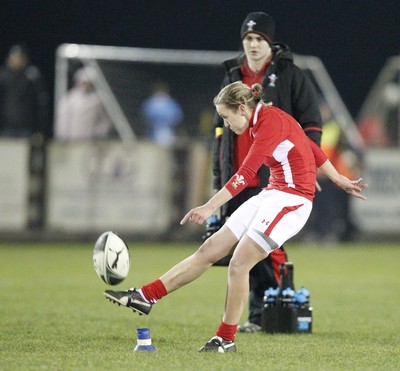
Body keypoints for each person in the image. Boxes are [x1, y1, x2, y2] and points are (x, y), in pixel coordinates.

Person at [104, 82, 366, 353]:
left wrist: (207, 207)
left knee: (239, 264)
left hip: (292, 201)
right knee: (209, 250)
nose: (226, 125)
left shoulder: (268, 124)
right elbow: (310, 146)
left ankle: (225, 339)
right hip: (272, 195)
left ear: (242, 108)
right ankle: (146, 296)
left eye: (227, 117)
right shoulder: (265, 117)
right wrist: (338, 180)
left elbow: (243, 175)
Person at [212, 12, 323, 332]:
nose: (253, 44)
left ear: (270, 42)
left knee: (265, 249)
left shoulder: (291, 74)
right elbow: (220, 131)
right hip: (239, 172)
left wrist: (310, 168)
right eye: (248, 39)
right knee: (241, 252)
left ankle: (274, 306)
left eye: (259, 39)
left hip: (278, 179)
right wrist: (219, 173)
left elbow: (311, 125)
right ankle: (257, 315)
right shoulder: (232, 73)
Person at [0, 44, 49, 138]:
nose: (18, 60)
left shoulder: (32, 76)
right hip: (6, 126)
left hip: (26, 127)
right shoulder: (3, 76)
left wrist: (40, 129)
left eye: (20, 57)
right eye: (15, 57)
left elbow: (40, 103)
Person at [54, 67, 113, 140]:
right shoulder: (69, 99)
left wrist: (96, 133)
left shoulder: (98, 100)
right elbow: (62, 121)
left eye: (89, 83)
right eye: (84, 83)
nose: (86, 86)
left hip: (90, 141)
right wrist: (63, 137)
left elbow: (106, 122)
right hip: (71, 141)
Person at [141, 82, 183, 146]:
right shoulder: (150, 102)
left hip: (167, 130)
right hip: (153, 132)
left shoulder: (171, 102)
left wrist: (168, 121)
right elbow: (145, 115)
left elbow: (177, 116)